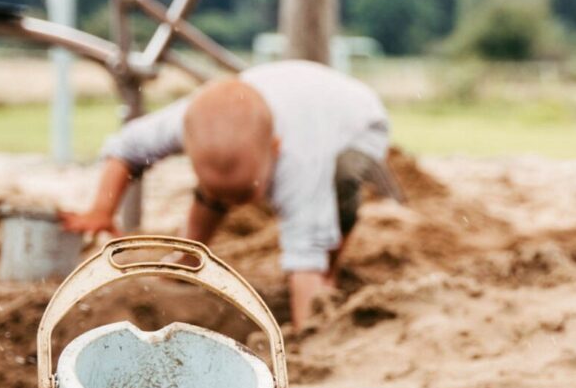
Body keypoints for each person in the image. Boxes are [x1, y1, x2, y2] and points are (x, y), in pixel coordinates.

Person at [60, 60, 402, 331]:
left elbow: (305, 251)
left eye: (245, 194)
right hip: (286, 98)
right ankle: (188, 256)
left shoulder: (301, 163)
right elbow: (125, 149)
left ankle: (330, 277)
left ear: (275, 150)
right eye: (225, 197)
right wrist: (101, 209)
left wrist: (307, 327)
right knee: (220, 184)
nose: (238, 208)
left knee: (339, 188)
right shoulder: (189, 119)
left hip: (354, 120)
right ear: (186, 147)